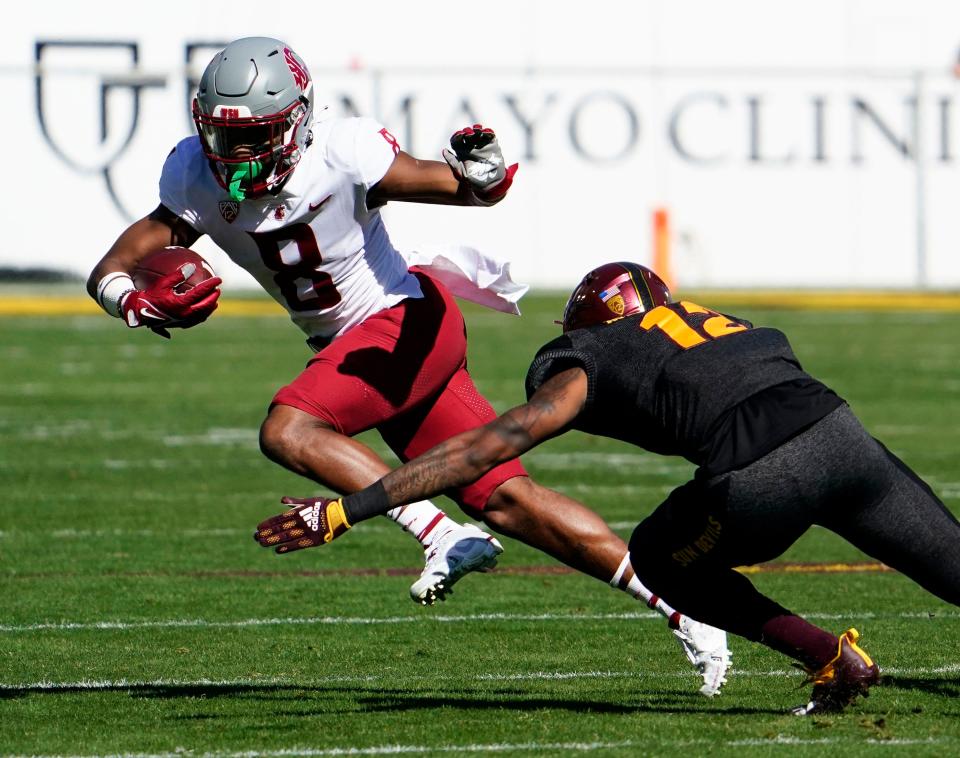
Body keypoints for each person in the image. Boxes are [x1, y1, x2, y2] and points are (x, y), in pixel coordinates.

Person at [86, 38, 730, 693]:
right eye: (223, 138)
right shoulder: (194, 172)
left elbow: (452, 185)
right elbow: (112, 266)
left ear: (298, 120)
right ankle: (687, 608)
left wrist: (483, 179)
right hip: (369, 349)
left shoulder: (342, 150)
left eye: (253, 138)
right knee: (508, 502)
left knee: (289, 430)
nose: (236, 158)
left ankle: (438, 532)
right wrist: (129, 299)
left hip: (403, 324)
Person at [258, 260, 960, 715]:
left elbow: (488, 446)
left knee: (656, 555)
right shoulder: (722, 323)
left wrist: (352, 508)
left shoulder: (590, 352)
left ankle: (830, 659)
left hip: (760, 474)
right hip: (844, 436)